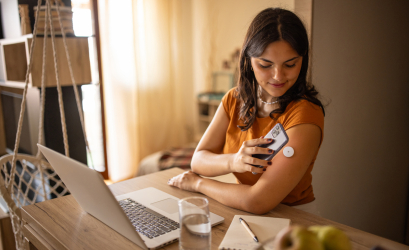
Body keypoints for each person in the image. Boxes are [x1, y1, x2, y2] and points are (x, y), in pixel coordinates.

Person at [168, 7, 325, 215]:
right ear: (249, 60)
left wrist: (197, 184)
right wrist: (234, 161)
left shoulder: (305, 116)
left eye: (290, 64)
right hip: (240, 207)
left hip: (292, 216)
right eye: (265, 64)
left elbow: (258, 201)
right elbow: (198, 160)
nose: (278, 76)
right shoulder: (234, 99)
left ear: (302, 60)